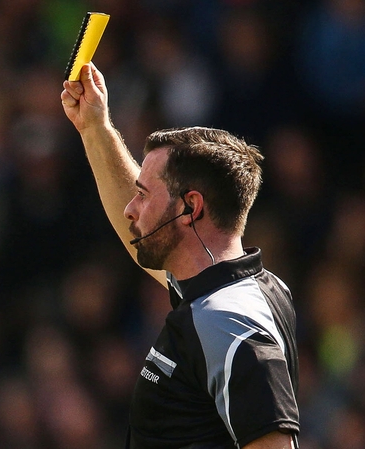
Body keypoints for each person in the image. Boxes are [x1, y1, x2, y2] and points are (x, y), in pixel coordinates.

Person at [60, 63, 300, 449]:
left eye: (144, 195)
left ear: (191, 207)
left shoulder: (226, 321)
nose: (131, 209)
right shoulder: (233, 289)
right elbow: (141, 228)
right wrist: (95, 128)